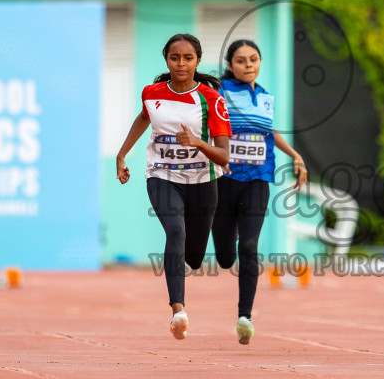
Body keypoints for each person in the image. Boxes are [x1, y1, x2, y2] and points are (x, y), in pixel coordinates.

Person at [114, 34, 231, 340]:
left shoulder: (211, 99)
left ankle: (188, 273)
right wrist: (123, 152)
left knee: (193, 256)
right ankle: (178, 311)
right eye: (175, 58)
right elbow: (143, 118)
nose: (181, 64)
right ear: (166, 59)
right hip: (162, 175)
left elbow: (223, 155)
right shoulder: (151, 93)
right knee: (175, 231)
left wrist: (197, 142)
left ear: (197, 61)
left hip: (203, 182)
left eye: (188, 58)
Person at [212, 39, 308, 345]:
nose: (248, 65)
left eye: (253, 59)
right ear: (230, 65)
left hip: (258, 178)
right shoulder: (218, 93)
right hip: (225, 180)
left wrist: (295, 155)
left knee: (250, 246)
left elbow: (268, 130)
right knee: (227, 257)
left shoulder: (266, 97)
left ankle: (245, 317)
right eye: (241, 61)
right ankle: (227, 241)